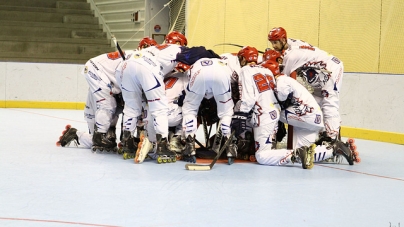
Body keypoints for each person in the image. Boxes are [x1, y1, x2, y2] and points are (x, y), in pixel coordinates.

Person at [117, 31, 221, 164]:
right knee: (160, 108)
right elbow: (201, 52)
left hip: (127, 64)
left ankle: (127, 143)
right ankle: (163, 146)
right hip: (148, 66)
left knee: (131, 107)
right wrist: (217, 59)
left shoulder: (156, 49)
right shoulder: (177, 50)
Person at [231, 47, 315, 169]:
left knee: (262, 156)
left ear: (243, 58)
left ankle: (296, 153)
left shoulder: (245, 70)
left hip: (263, 115)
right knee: (266, 149)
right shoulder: (267, 71)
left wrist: (240, 115)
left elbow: (248, 98)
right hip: (274, 113)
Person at [263, 60, 359, 165]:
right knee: (303, 153)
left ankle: (271, 140)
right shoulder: (285, 80)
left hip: (307, 116)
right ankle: (333, 149)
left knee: (270, 111)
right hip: (308, 121)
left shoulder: (282, 80)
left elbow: (281, 97)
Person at [268, 27, 345, 142]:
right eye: (271, 43)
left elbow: (283, 79)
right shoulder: (292, 43)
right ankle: (328, 132)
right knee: (316, 100)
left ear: (283, 40)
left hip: (331, 69)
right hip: (321, 72)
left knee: (329, 101)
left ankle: (332, 138)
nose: (273, 46)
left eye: (275, 42)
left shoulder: (291, 56)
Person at [181, 57, 235, 163]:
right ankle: (230, 147)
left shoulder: (195, 64)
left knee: (190, 109)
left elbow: (188, 83)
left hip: (198, 75)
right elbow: (234, 81)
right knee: (226, 112)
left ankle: (190, 147)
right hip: (222, 75)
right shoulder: (227, 63)